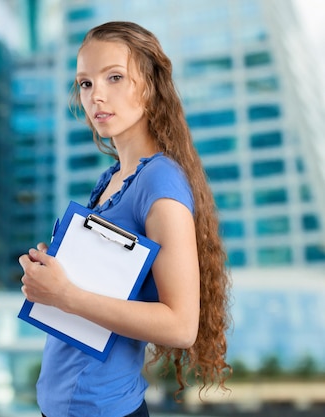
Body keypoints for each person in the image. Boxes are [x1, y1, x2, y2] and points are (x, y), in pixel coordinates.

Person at [18, 21, 231, 417]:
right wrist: (53, 273)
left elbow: (181, 325)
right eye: (85, 83)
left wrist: (66, 294)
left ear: (150, 85)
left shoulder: (160, 181)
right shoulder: (112, 178)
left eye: (114, 77)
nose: (97, 95)